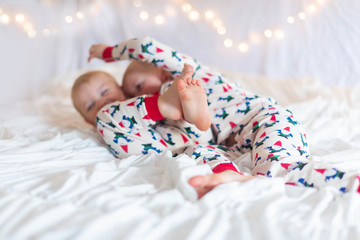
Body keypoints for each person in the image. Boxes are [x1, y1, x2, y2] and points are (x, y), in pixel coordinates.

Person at [74, 37, 358, 198]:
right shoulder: (136, 122)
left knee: (279, 167)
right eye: (90, 106)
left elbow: (148, 47)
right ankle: (231, 178)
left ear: (163, 72)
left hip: (261, 120)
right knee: (193, 151)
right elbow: (163, 149)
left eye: (139, 85)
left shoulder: (191, 72)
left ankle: (350, 183)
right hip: (218, 146)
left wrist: (110, 52)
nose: (100, 101)